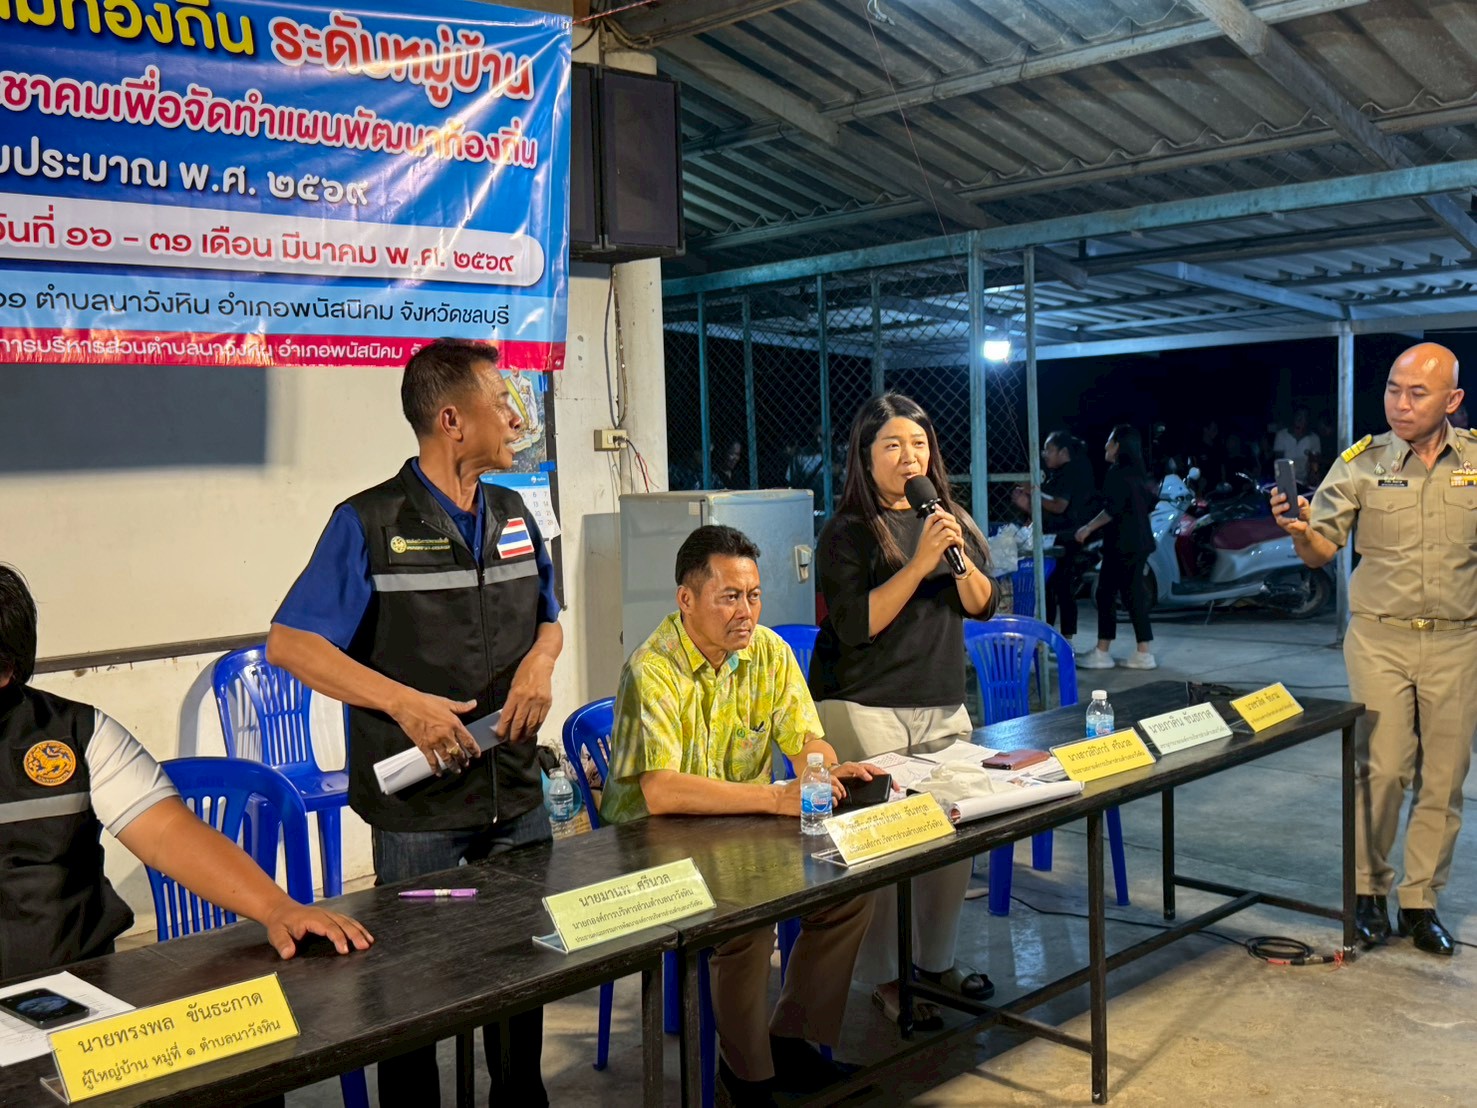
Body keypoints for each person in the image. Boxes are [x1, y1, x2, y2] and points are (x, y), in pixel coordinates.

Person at [266, 338, 563, 1104]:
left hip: (515, 791)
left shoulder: (516, 513)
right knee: (414, 992)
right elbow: (292, 644)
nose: (516, 416)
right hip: (420, 808)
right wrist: (402, 702)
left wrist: (541, 662)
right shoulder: (368, 522)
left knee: (522, 975)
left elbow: (548, 618)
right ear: (452, 420)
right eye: (502, 402)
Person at [0, 565, 372, 1108]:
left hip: (71, 1005)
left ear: (5, 670)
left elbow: (167, 831)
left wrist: (277, 908)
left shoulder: (75, 734)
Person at [601, 525, 879, 1108]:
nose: (745, 612)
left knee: (850, 890)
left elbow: (806, 739)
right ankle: (747, 1075)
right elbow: (663, 792)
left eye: (753, 595)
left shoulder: (768, 653)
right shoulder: (652, 669)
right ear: (686, 599)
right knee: (748, 919)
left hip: (741, 834)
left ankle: (792, 1039)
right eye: (729, 597)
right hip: (654, 848)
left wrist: (821, 770)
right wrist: (777, 798)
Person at [1272, 342, 1477, 957]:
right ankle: (1367, 892)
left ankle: (1420, 903)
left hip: (1458, 640)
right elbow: (1321, 551)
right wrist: (1300, 530)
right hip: (1380, 638)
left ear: (1453, 400)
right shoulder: (1361, 463)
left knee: (1444, 778)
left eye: (1417, 393)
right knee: (1383, 769)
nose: (1401, 403)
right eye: (1393, 389)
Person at [810, 394, 997, 1030]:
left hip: (940, 702)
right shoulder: (847, 531)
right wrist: (918, 564)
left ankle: (936, 963)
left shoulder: (948, 518)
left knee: (952, 833)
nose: (908, 456)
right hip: (863, 704)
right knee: (887, 844)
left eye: (918, 444)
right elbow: (857, 625)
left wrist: (954, 555)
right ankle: (887, 978)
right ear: (865, 457)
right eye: (891, 445)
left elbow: (982, 604)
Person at [1075, 425, 1157, 670]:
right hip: (1139, 542)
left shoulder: (1117, 473)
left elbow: (1111, 510)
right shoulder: (1138, 474)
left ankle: (1102, 652)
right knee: (1134, 595)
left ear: (1119, 445)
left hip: (1122, 543)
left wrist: (1087, 528)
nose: (1105, 445)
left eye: (1110, 441)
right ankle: (1143, 653)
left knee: (1106, 594)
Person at [1014, 430, 1095, 645]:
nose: (1044, 454)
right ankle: (1046, 638)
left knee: (1063, 589)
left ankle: (1066, 640)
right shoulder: (1054, 475)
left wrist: (1033, 492)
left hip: (1066, 540)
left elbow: (1059, 506)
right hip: (1051, 539)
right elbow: (1045, 510)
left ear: (1063, 452)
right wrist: (1027, 504)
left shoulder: (1071, 473)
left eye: (1048, 450)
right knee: (1048, 588)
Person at [1273, 406, 1321, 484]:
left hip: (1305, 482)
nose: (1300, 419)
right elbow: (1278, 464)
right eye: (1298, 415)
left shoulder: (1314, 438)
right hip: (1285, 482)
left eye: (1304, 417)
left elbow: (1314, 464)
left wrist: (1311, 478)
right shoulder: (1281, 435)